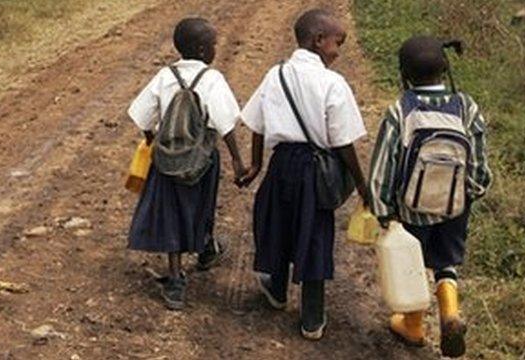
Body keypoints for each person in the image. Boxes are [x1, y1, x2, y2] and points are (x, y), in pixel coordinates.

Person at [238, 8, 369, 340]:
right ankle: (312, 317)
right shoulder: (332, 83)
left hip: (282, 164)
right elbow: (343, 141)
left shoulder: (276, 74)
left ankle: (277, 291)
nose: (338, 52)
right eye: (337, 43)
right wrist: (361, 182)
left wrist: (256, 165)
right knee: (313, 234)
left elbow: (257, 122)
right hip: (314, 168)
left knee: (278, 225)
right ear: (318, 40)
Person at [368, 35, 492, 357]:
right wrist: (468, 195)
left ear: (404, 74)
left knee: (413, 265)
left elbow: (384, 166)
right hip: (454, 207)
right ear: (445, 69)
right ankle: (450, 313)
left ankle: (413, 327)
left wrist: (384, 211)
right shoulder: (466, 107)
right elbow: (479, 168)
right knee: (446, 261)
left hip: (411, 210)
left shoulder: (400, 111)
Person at [126, 17, 245, 310]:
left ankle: (176, 278)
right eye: (214, 44)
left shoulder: (165, 76)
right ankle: (205, 249)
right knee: (202, 205)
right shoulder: (212, 79)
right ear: (204, 50)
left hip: (167, 161)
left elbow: (141, 115)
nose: (216, 49)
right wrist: (238, 162)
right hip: (201, 160)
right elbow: (226, 124)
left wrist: (153, 140)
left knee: (171, 213)